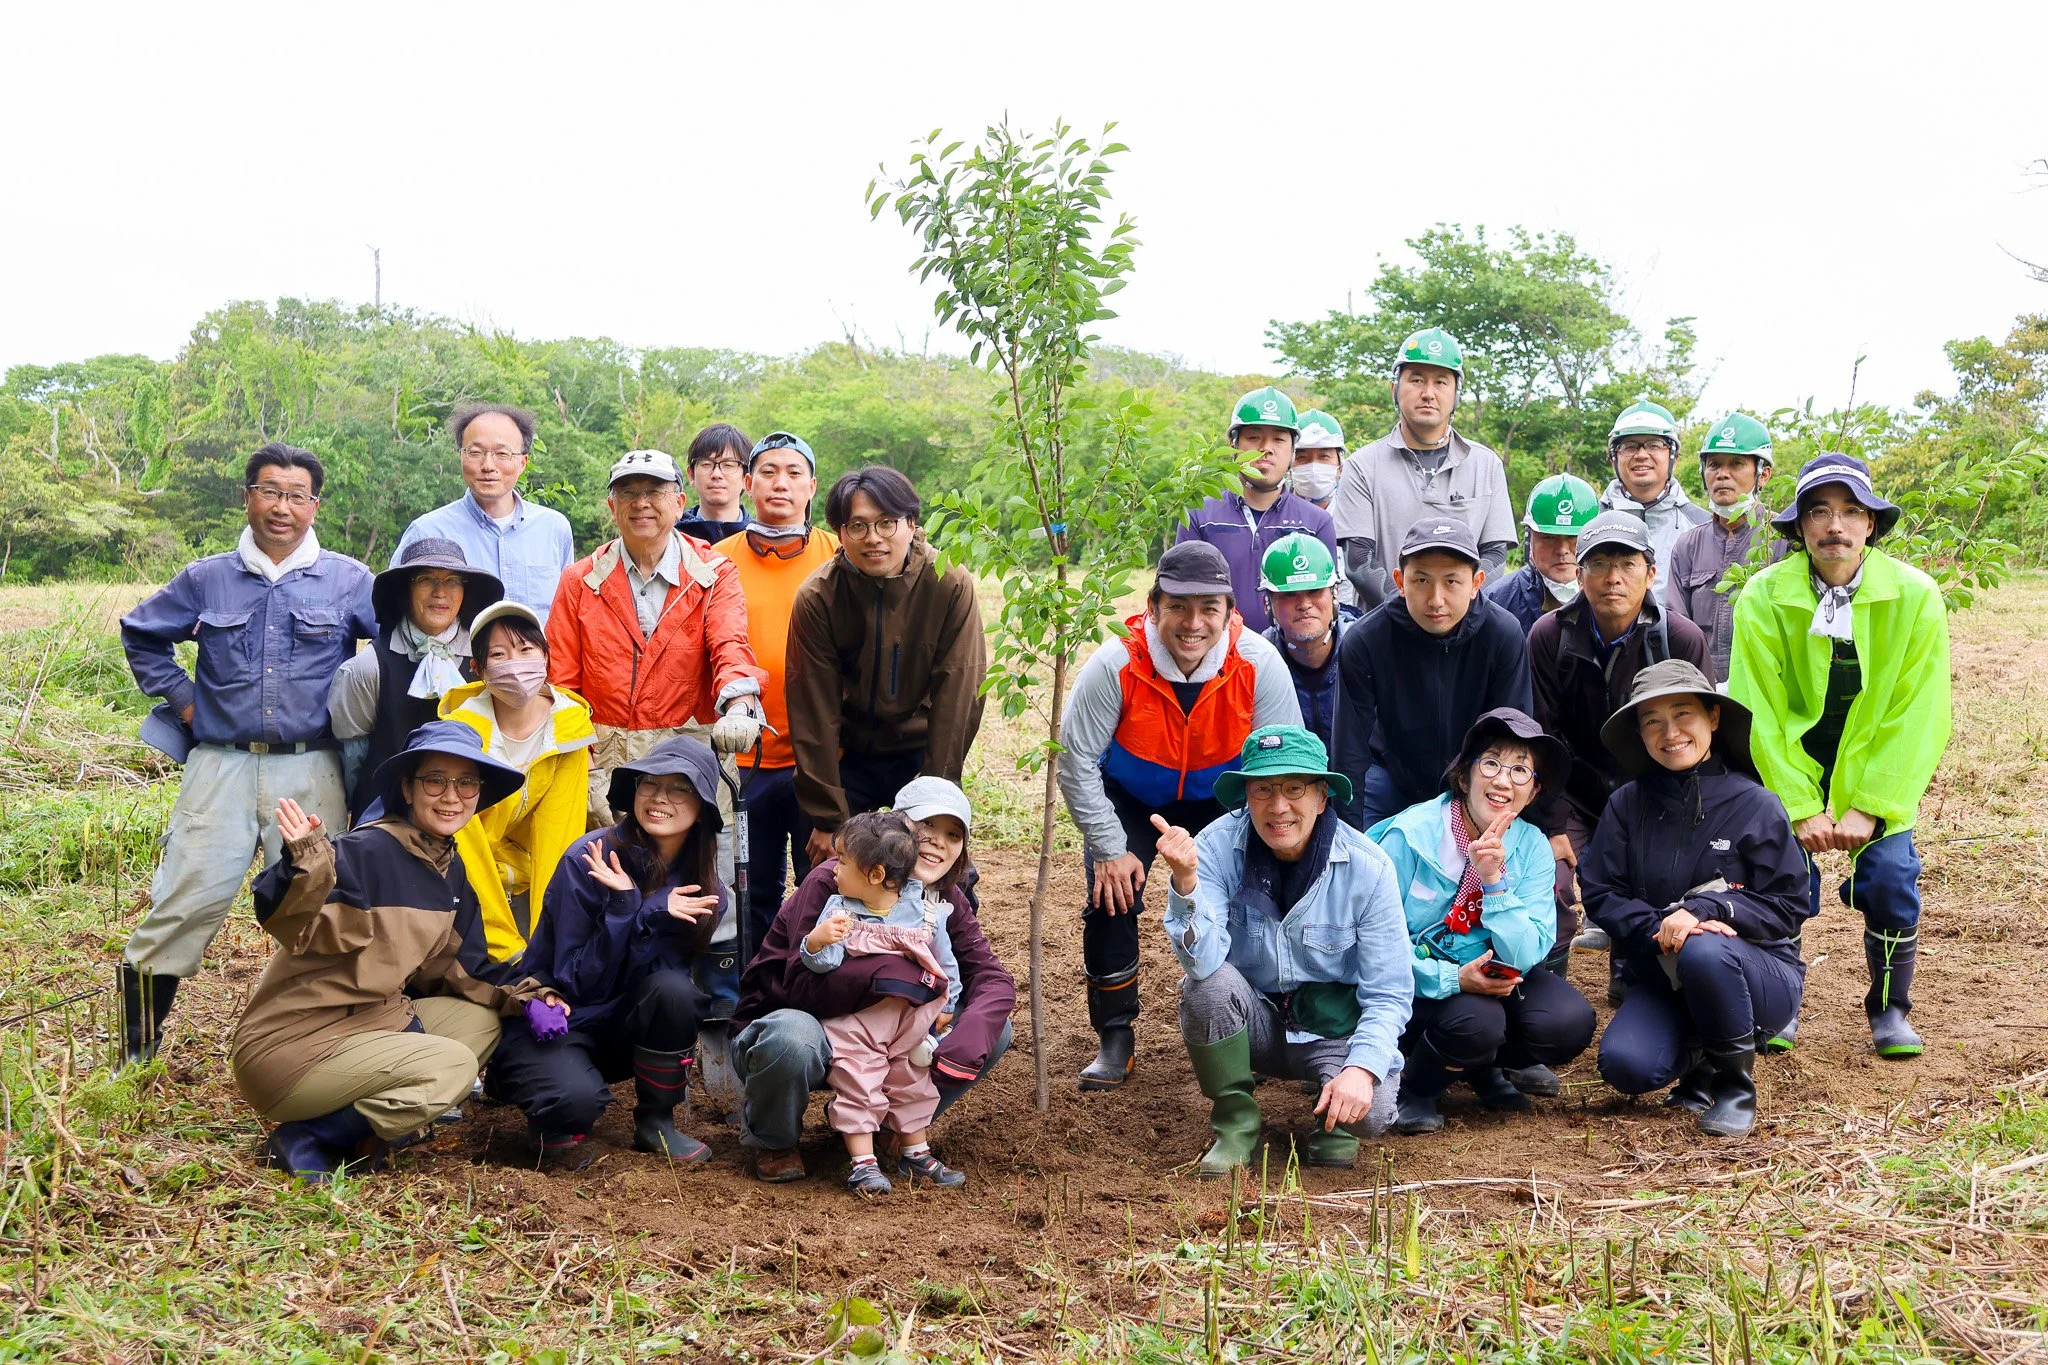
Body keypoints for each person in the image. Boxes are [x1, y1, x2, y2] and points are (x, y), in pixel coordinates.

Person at [118, 442, 377, 1065]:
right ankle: (135, 1054)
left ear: (314, 504)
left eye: (295, 495)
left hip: (313, 767)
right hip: (219, 764)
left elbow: (393, 649)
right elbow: (143, 633)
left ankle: (329, 1047)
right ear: (248, 497)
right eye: (269, 491)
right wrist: (185, 701)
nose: (281, 507)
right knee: (185, 899)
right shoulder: (207, 576)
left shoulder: (350, 580)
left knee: (325, 905)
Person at [231, 722, 561, 1181]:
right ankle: (308, 1137)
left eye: (466, 782)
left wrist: (532, 996)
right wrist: (304, 865)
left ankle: (367, 1127)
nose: (452, 796)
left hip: (372, 1022)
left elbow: (462, 968)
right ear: (407, 788)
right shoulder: (363, 851)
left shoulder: (448, 867)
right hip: (294, 1046)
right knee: (454, 1067)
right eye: (436, 780)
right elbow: (294, 923)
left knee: (481, 1024)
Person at [1057, 541, 1302, 1090]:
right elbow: (1075, 763)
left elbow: (1283, 763)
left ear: (1230, 610)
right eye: (1178, 606)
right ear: (1153, 607)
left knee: (1255, 896)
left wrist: (1267, 837)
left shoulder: (1259, 662)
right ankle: (1115, 1036)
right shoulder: (1116, 661)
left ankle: (1253, 1023)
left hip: (1224, 798)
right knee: (1110, 897)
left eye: (1209, 608)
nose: (1194, 623)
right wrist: (1110, 847)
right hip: (1134, 798)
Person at [1729, 453, 1951, 1058]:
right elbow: (1760, 710)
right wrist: (1798, 804)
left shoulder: (1915, 595)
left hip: (1876, 766)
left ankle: (1890, 1008)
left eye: (1852, 512)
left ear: (1872, 525)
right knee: (1779, 881)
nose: (1836, 526)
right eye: (1819, 512)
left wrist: (1872, 806)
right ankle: (1779, 1004)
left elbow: (1917, 711)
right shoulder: (1764, 596)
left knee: (1890, 878)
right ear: (1799, 527)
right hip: (1789, 764)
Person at [732, 777, 1016, 1185]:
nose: (938, 842)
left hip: (891, 1032)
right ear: (898, 830)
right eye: (927, 827)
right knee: (790, 1037)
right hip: (809, 1023)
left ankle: (890, 1131)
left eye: (952, 834)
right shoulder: (836, 882)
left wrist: (957, 1030)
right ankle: (774, 1138)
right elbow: (796, 982)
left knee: (994, 1027)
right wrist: (896, 981)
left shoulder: (940, 896)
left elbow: (990, 977)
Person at [1156, 726, 1412, 1175]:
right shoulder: (1213, 850)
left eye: (1295, 788)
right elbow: (1202, 960)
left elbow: (1389, 992)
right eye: (1263, 790)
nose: (1279, 807)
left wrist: (1362, 1070)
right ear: (1245, 797)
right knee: (1206, 987)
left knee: (1370, 1111)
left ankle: (1336, 1123)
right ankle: (1236, 1124)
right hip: (1257, 1022)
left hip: (1335, 1030)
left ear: (1322, 796)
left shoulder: (1368, 868)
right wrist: (1186, 883)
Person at [1582, 662, 1812, 1138]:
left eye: (1683, 713)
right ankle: (1701, 1054)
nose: (1670, 733)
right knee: (1626, 1067)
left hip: (1757, 975)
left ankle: (1733, 1086)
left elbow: (1791, 904)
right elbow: (1602, 891)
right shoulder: (1625, 804)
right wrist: (1665, 928)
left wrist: (1712, 910)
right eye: (1652, 721)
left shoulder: (1756, 804)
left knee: (1705, 947)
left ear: (1713, 717)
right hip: (1661, 974)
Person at [485, 737, 727, 1169]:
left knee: (676, 992)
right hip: (556, 1016)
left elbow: (662, 988)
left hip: (618, 1024)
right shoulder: (589, 858)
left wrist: (644, 916)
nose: (659, 799)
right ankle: (533, 1093)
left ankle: (656, 1120)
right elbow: (577, 980)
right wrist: (632, 909)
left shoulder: (705, 889)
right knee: (573, 1105)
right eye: (649, 784)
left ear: (703, 807)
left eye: (678, 788)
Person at [1369, 710, 1595, 1133]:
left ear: (1533, 792)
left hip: (1494, 976)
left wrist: (1494, 883)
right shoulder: (1408, 837)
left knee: (1566, 1021)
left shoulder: (1531, 847)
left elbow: (1528, 953)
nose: (1503, 780)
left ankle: (1479, 1068)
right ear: (1465, 774)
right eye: (1491, 763)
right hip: (1411, 986)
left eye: (1521, 770)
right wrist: (1454, 978)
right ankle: (1415, 1088)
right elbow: (1373, 949)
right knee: (1478, 1021)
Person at [1527, 511, 1711, 990]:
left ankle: (1634, 973)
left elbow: (1699, 738)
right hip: (1570, 789)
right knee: (1551, 880)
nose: (1613, 578)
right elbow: (1539, 735)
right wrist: (1550, 822)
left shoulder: (1678, 638)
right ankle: (1548, 997)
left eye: (1627, 564)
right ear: (1578, 574)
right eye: (1599, 564)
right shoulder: (1550, 635)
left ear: (1651, 573)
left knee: (1649, 880)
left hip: (1648, 787)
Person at [546, 448, 766, 829]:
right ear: (612, 507)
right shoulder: (580, 581)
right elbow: (560, 680)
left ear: (680, 503)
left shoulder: (714, 574)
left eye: (654, 492)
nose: (641, 503)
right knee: (610, 877)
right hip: (607, 765)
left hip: (691, 757)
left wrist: (741, 705)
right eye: (628, 493)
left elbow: (730, 644)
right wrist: (577, 748)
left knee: (703, 876)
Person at [786, 465, 988, 868]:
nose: (873, 537)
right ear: (840, 534)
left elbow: (959, 690)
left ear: (911, 524)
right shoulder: (819, 596)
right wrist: (828, 818)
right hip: (849, 751)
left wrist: (937, 795)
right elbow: (813, 708)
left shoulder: (947, 583)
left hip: (921, 748)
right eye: (857, 526)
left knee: (942, 872)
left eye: (886, 523)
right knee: (828, 866)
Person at [711, 432, 839, 953]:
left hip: (823, 760)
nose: (779, 483)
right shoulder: (717, 559)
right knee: (751, 886)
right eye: (767, 472)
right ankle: (755, 986)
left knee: (826, 881)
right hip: (745, 760)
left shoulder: (841, 553)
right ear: (747, 483)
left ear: (812, 486)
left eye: (792, 473)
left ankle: (823, 982)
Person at [797, 812, 966, 1195]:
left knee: (912, 1081)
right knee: (859, 1084)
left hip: (908, 1022)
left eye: (841, 861)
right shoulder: (839, 911)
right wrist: (817, 941)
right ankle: (863, 1163)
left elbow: (945, 961)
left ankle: (916, 1153)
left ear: (874, 874)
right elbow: (823, 965)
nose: (833, 869)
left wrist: (947, 1003)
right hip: (856, 1024)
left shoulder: (923, 913)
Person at [1335, 519, 1532, 829]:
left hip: (1474, 780)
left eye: (1452, 581)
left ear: (1476, 583)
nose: (1436, 599)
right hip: (1391, 775)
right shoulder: (1366, 640)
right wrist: (1348, 837)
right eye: (1421, 581)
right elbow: (1349, 751)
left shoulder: (1503, 635)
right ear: (1400, 581)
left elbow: (1511, 741)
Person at [438, 600, 596, 962]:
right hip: (463, 876)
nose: (516, 664)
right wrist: (506, 949)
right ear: (478, 668)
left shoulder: (569, 729)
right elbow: (464, 839)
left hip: (522, 869)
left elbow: (560, 836)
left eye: (526, 650)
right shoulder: (458, 735)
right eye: (499, 654)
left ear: (545, 657)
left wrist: (550, 947)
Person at [1329, 328, 1516, 609]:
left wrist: (1452, 613)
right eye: (1416, 380)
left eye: (1441, 382)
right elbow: (1359, 560)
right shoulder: (1363, 466)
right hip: (1384, 630)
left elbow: (1494, 556)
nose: (1428, 393)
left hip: (1466, 634)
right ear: (1394, 389)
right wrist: (1411, 613)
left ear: (1456, 395)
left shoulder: (1486, 465)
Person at [330, 538, 502, 822]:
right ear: (405, 590)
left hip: (466, 818)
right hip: (383, 821)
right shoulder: (368, 667)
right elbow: (353, 759)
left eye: (452, 581)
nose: (440, 593)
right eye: (426, 580)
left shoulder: (487, 661)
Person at [393, 405, 577, 623]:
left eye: (502, 453)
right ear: (460, 456)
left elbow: (567, 615)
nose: (488, 465)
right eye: (475, 452)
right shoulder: (427, 531)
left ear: (522, 463)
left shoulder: (554, 529)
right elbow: (394, 614)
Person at [1176, 387, 1337, 634]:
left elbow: (1323, 608)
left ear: (1293, 450)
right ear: (1233, 445)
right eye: (1253, 437)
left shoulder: (1317, 522)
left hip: (1290, 659)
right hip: (1217, 657)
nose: (1266, 448)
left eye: (1279, 439)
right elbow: (1183, 598)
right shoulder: (1199, 515)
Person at [1668, 413, 1777, 681]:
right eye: (1713, 464)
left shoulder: (1782, 538)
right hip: (1701, 687)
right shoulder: (1687, 546)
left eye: (1736, 464)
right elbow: (1675, 628)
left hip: (1766, 686)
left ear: (1762, 474)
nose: (1722, 474)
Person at [1598, 400, 1711, 609]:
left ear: (1674, 457)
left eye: (1654, 445)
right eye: (1629, 446)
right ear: (1613, 457)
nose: (1641, 455)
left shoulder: (1704, 528)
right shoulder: (1590, 523)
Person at [1259, 533, 1357, 756]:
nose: (1304, 604)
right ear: (1268, 603)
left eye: (1314, 591)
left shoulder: (1366, 649)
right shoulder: (1256, 662)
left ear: (1335, 594)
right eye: (1289, 594)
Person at [1484, 474, 1601, 634]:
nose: (1562, 549)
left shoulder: (1616, 597)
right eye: (1549, 537)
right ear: (1529, 538)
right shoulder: (1496, 603)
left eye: (1574, 538)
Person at [676, 423, 753, 544]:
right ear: (691, 475)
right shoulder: (673, 539)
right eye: (706, 464)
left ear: (746, 479)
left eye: (728, 465)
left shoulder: (759, 540)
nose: (716, 474)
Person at [1291, 410, 1346, 510]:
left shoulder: (1356, 511)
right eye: (1301, 457)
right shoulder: (1272, 513)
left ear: (1340, 465)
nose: (1313, 467)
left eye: (1324, 456)